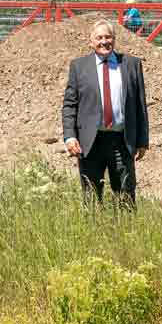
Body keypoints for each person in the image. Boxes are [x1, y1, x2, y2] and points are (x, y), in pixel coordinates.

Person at [61, 20, 149, 206]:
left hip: (122, 140)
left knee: (126, 197)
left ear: (114, 39)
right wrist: (70, 136)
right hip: (90, 142)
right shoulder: (79, 66)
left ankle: (126, 226)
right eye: (99, 37)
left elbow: (139, 104)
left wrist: (142, 141)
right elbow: (70, 105)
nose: (104, 42)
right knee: (91, 198)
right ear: (91, 41)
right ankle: (93, 225)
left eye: (108, 37)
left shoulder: (131, 64)